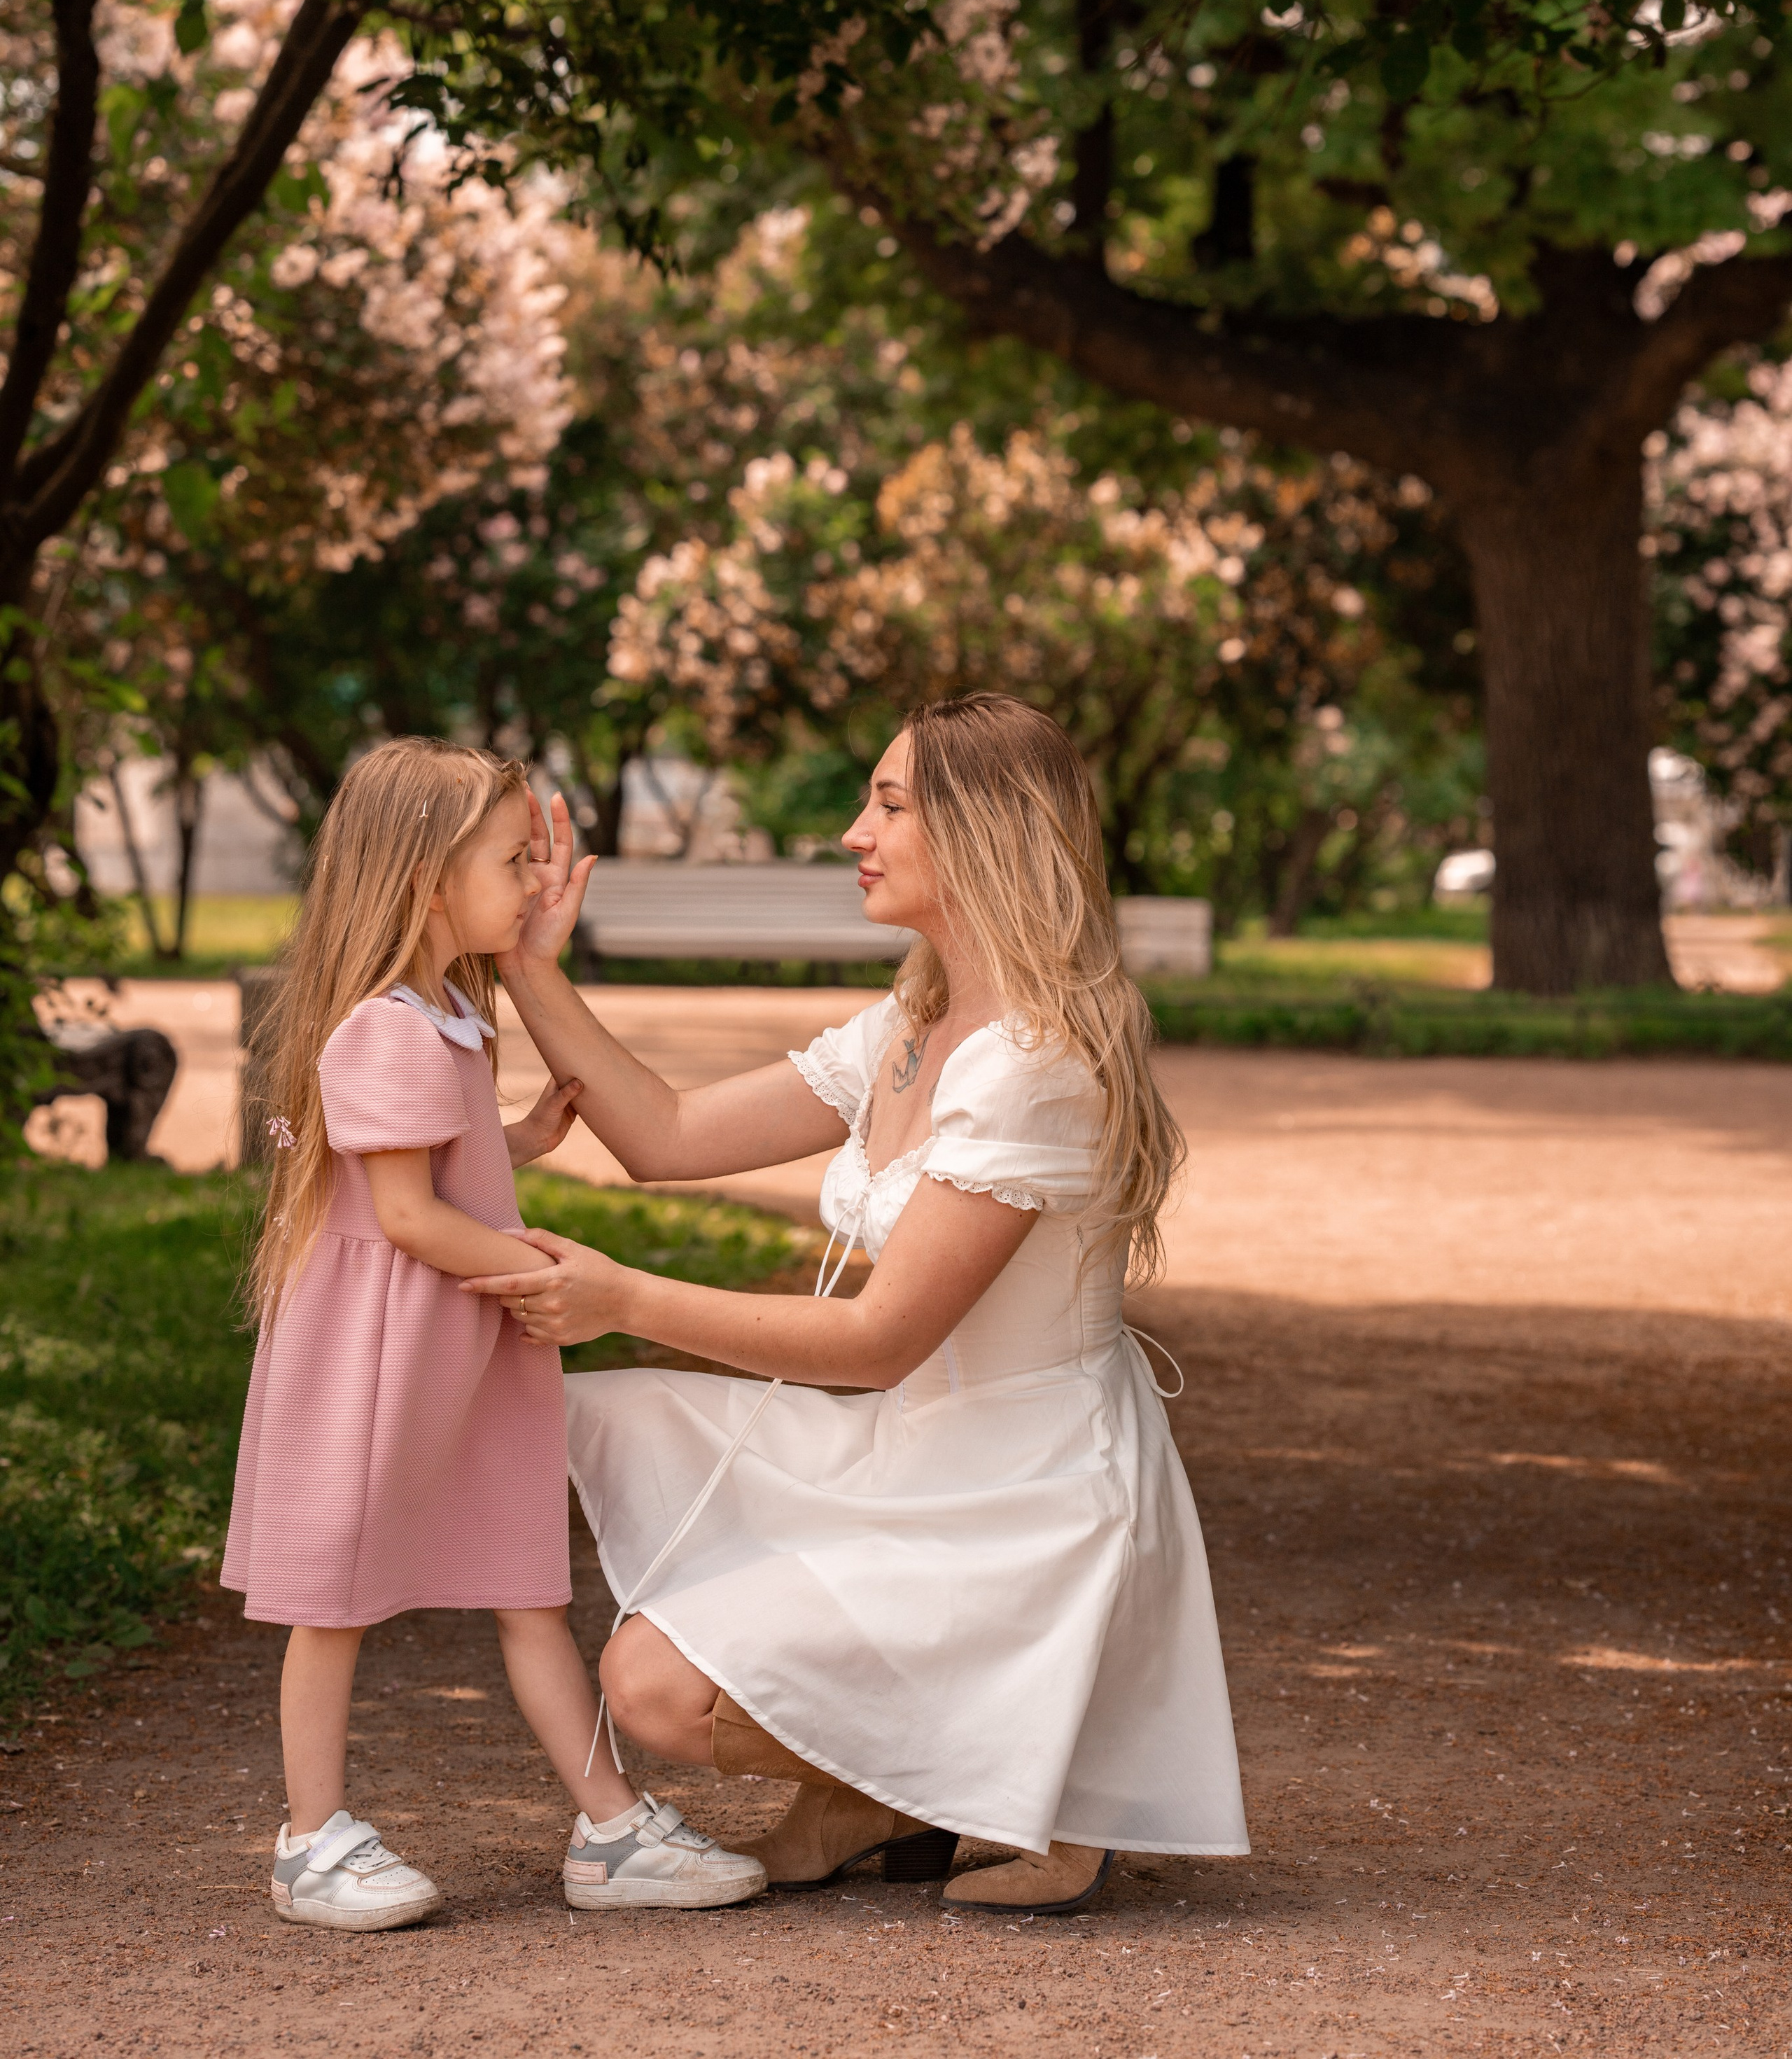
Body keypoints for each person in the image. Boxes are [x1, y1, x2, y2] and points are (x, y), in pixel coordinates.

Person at [468, 694, 1250, 1913]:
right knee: (651, 1680)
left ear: (987, 830)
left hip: (1025, 1491)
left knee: (659, 1689)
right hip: (909, 1454)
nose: (852, 831)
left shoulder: (1035, 1063)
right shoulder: (916, 1022)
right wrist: (529, 970)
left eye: (888, 803)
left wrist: (623, 1296)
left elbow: (879, 1342)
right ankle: (884, 1785)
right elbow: (664, 1136)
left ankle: (1030, 1776)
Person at [222, 738, 766, 1931]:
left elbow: (423, 1170)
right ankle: (310, 1837)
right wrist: (544, 1267)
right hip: (383, 1350)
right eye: (514, 860)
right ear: (425, 879)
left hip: (458, 1341)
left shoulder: (448, 1013)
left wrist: (515, 1139)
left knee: (526, 1584)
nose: (534, 881)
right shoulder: (386, 1028)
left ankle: (611, 1827)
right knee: (339, 1596)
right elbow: (408, 1216)